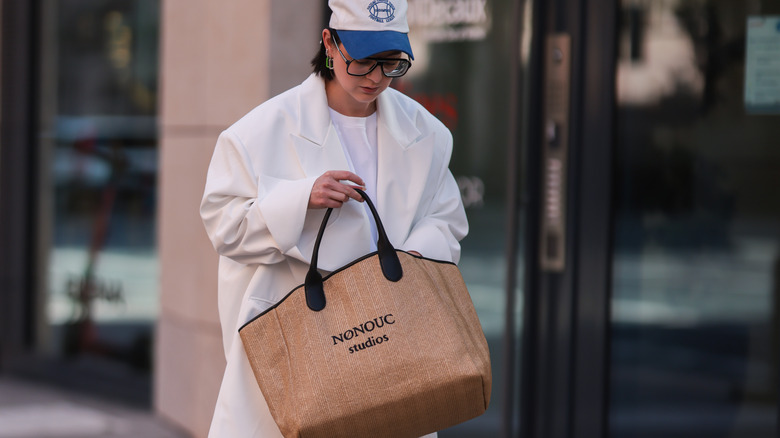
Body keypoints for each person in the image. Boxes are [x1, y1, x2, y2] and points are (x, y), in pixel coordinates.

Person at [199, 0, 468, 436]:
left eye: (391, 62)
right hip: (300, 352)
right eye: (362, 61)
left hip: (394, 341)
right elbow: (224, 226)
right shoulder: (259, 132)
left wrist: (411, 262)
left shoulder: (427, 133)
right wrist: (302, 197)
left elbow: (447, 219)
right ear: (330, 42)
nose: (377, 78)